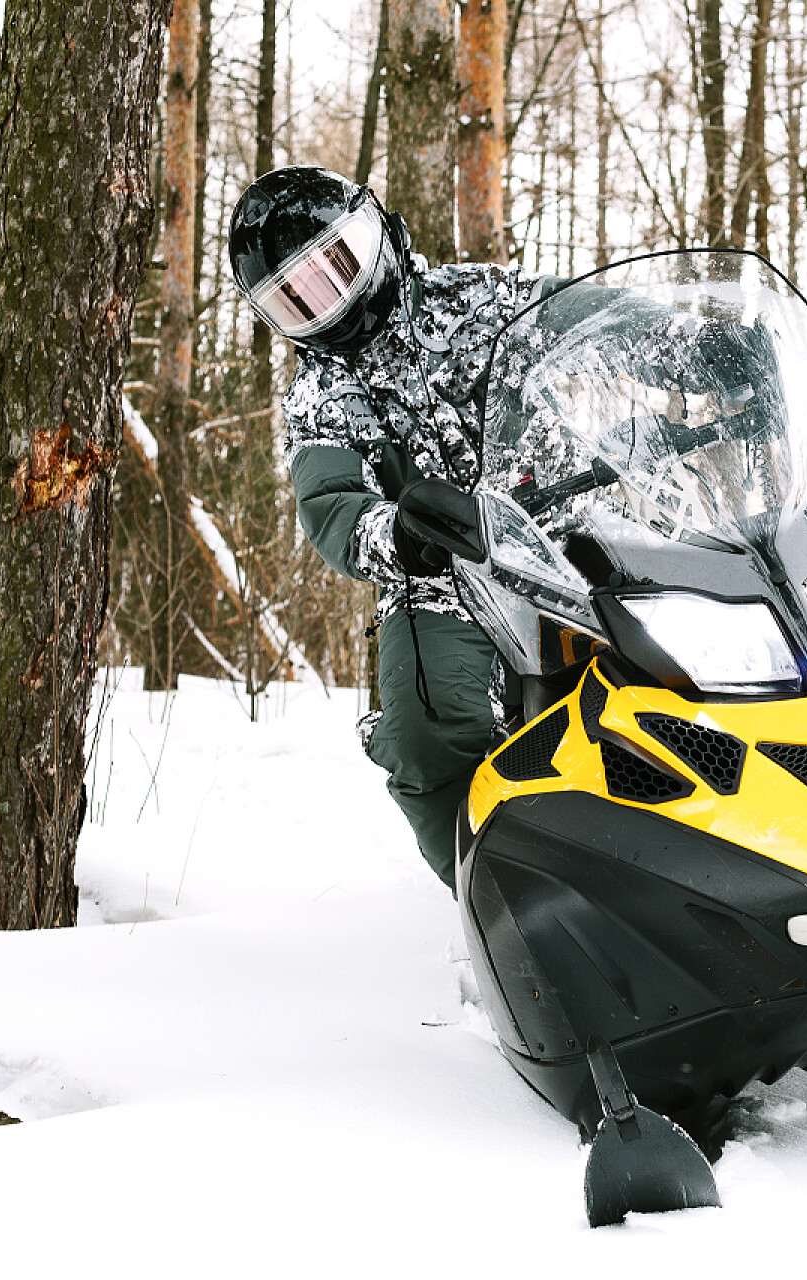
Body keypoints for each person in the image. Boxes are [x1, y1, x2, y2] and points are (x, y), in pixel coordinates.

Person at [228, 165, 560, 892]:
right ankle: (495, 892)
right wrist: (401, 536)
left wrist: (705, 352)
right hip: (443, 577)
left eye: (334, 269)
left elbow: (592, 326)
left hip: (566, 532)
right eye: (296, 298)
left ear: (373, 233)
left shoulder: (478, 300)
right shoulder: (319, 395)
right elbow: (334, 508)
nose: (327, 302)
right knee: (423, 725)